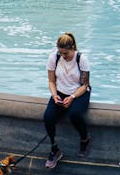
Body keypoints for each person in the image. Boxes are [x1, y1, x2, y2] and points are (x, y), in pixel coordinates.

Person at [43, 32, 91, 168]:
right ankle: (54, 148)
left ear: (73, 48)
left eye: (66, 53)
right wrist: (54, 95)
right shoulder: (54, 57)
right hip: (60, 92)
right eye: (60, 52)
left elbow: (85, 85)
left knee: (74, 114)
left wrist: (72, 97)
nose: (63, 56)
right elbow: (51, 81)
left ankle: (85, 138)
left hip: (79, 93)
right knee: (48, 117)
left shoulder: (81, 59)